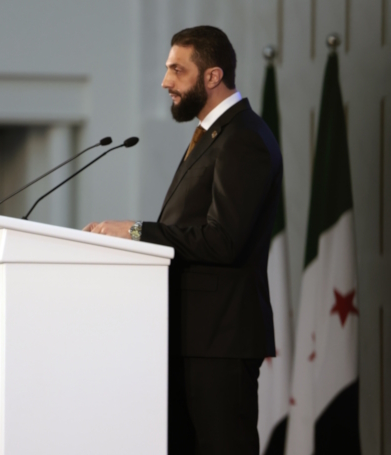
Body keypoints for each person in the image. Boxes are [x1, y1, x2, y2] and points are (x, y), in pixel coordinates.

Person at [83, 26, 282, 455]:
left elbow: (222, 240)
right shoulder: (213, 134)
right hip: (192, 336)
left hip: (220, 340)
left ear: (212, 76)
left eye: (177, 69)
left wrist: (136, 231)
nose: (165, 81)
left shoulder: (243, 137)